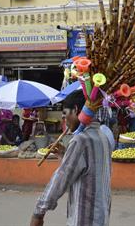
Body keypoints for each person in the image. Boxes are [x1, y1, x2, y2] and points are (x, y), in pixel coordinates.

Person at [30, 90, 112, 226]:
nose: (64, 120)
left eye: (65, 114)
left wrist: (39, 211)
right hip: (101, 218)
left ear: (75, 110)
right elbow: (84, 173)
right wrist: (64, 154)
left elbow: (62, 178)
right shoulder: (103, 136)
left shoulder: (81, 140)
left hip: (84, 219)